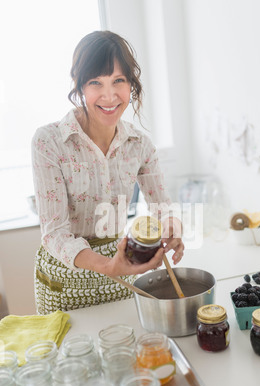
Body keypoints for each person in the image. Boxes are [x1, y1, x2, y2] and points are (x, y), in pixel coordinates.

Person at [32, 30, 184, 315]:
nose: (109, 95)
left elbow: (162, 207)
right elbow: (54, 233)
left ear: (131, 85)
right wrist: (107, 266)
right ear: (79, 86)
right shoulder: (48, 141)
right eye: (95, 83)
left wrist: (173, 226)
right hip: (65, 281)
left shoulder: (140, 145)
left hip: (120, 275)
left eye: (118, 81)